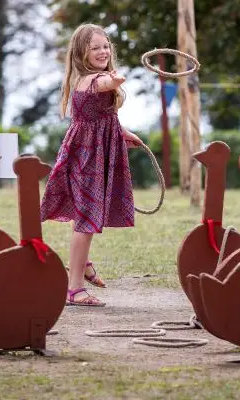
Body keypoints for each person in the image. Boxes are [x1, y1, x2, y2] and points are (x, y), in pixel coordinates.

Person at [41, 23, 144, 307]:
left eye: (105, 46)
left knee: (85, 215)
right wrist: (115, 80)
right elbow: (105, 85)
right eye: (95, 48)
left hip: (93, 153)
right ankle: (74, 289)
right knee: (86, 219)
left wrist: (123, 133)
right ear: (81, 53)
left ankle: (81, 264)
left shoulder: (92, 78)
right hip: (88, 158)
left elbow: (101, 115)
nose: (102, 51)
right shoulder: (92, 80)